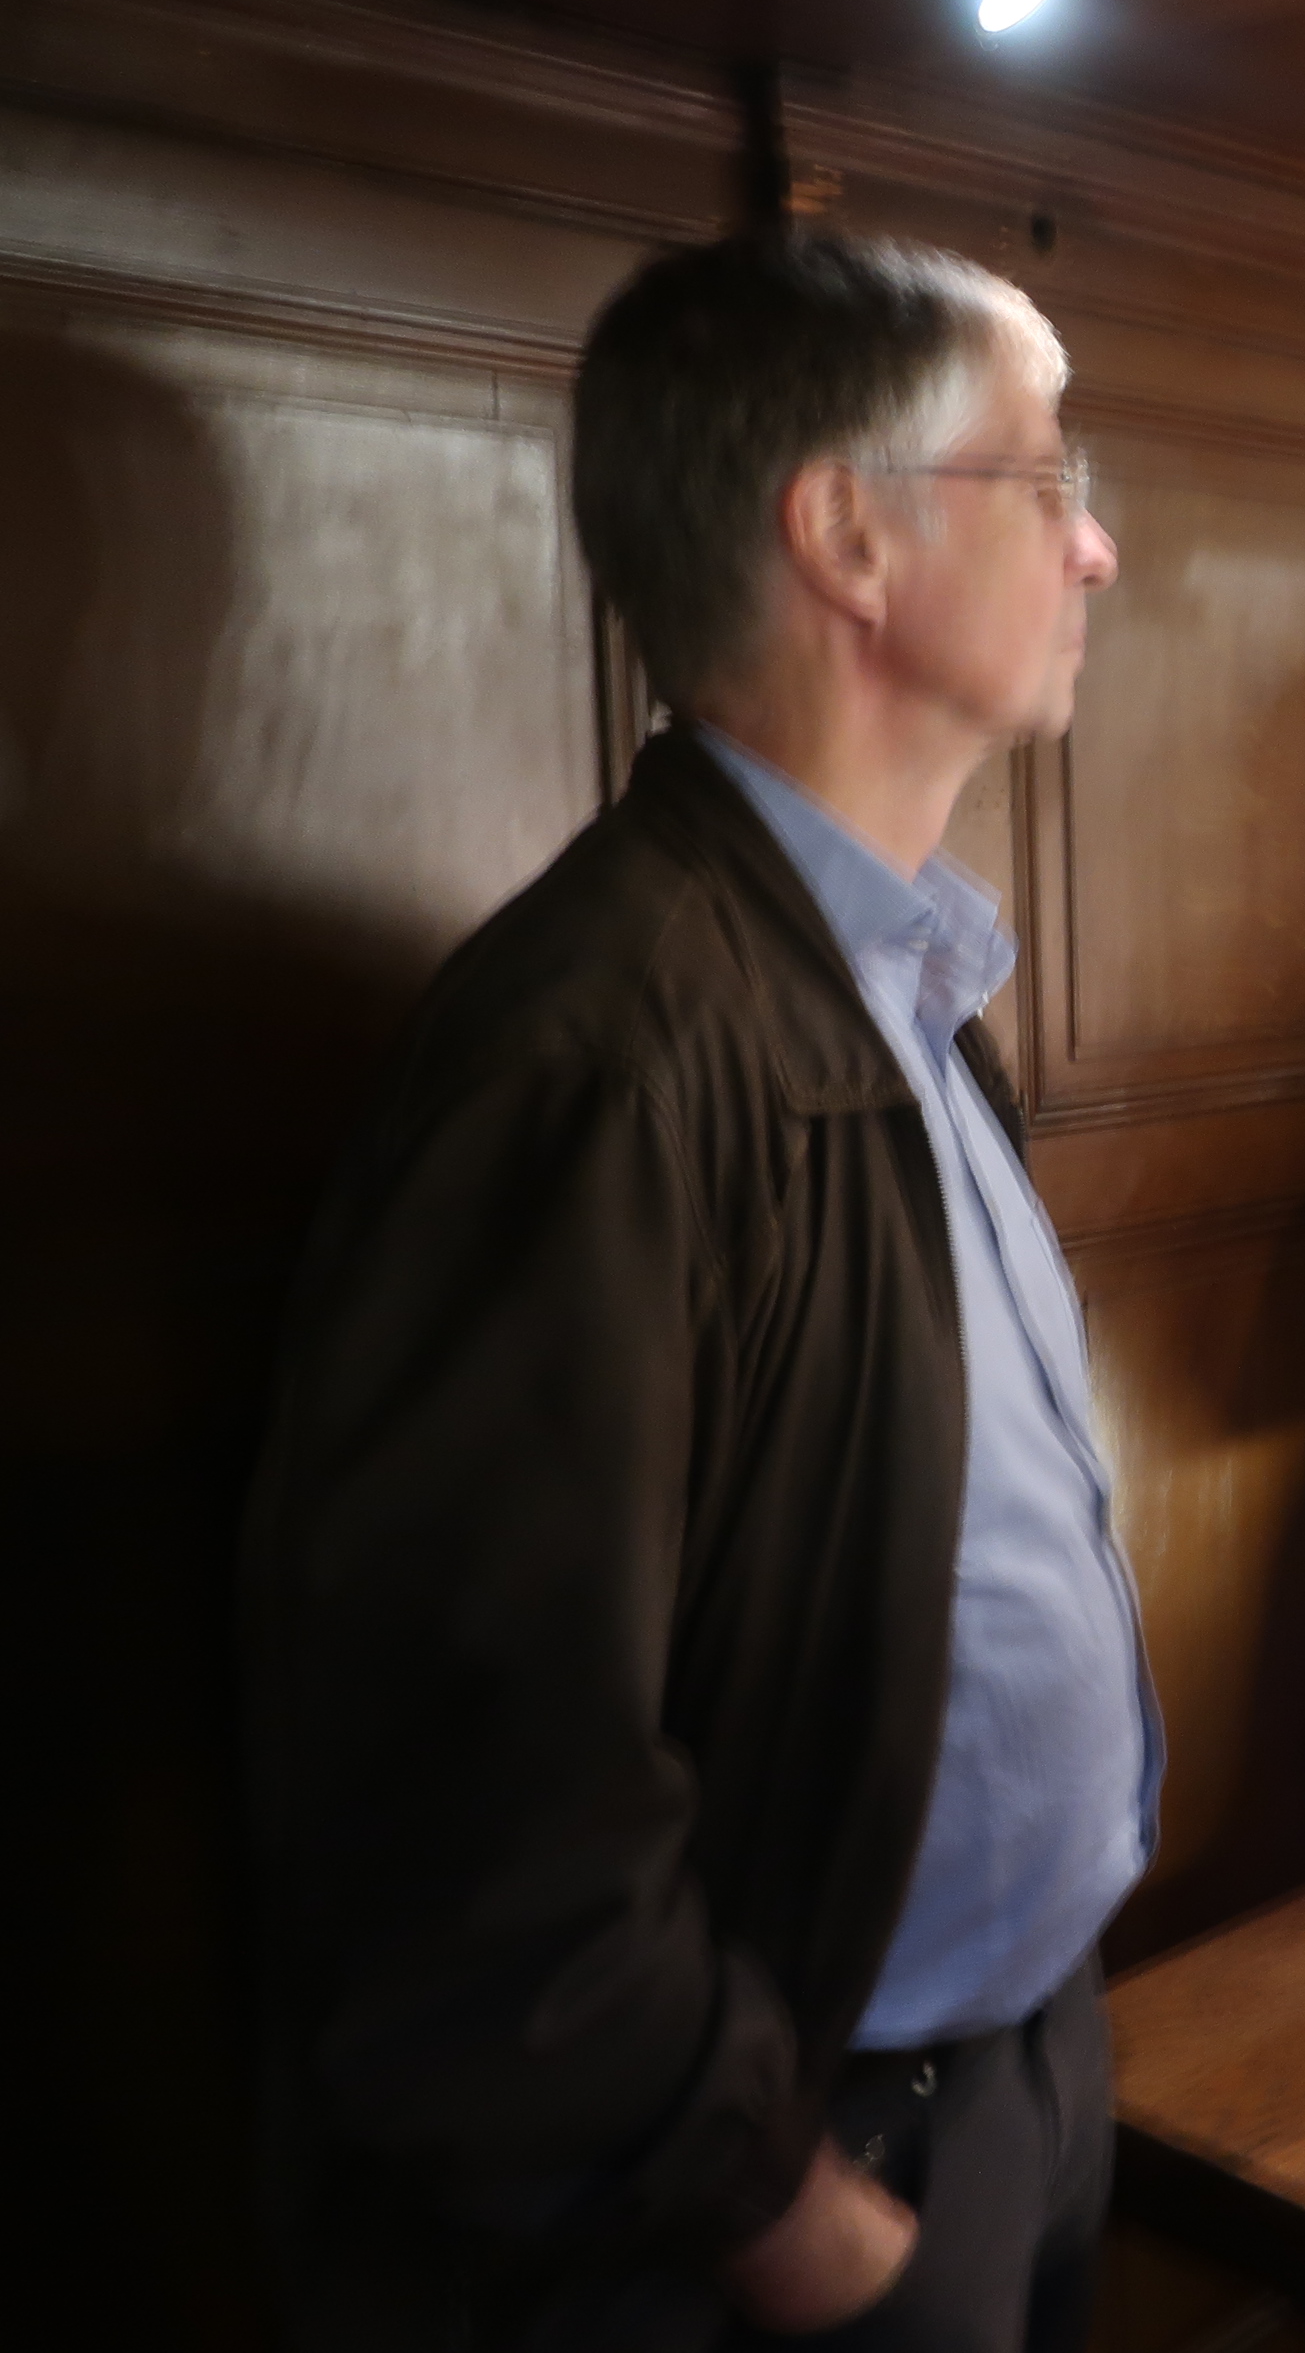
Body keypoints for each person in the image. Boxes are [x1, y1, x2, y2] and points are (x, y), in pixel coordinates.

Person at [237, 231, 1142, 2351]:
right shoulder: (605, 1049)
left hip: (1009, 2076)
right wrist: (792, 2218)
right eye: (1044, 478)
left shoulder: (897, 978)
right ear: (848, 535)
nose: (1096, 546)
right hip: (781, 2188)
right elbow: (474, 1805)